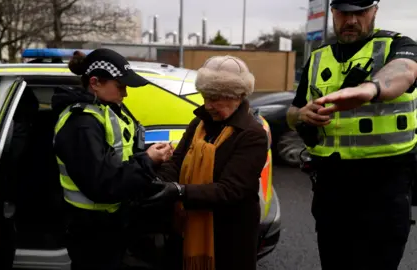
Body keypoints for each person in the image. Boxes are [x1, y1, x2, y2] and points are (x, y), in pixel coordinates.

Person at [286, 0, 417, 269]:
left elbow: (405, 70)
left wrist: (370, 89)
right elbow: (293, 110)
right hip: (331, 186)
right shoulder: (318, 56)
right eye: (344, 13)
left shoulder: (399, 45)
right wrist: (302, 115)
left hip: (384, 185)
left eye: (360, 13)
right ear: (333, 12)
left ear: (374, 12)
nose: (352, 21)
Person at [52, 48, 174, 270]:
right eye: (121, 86)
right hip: (91, 231)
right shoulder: (81, 124)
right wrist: (147, 160)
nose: (125, 93)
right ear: (95, 82)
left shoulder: (105, 110)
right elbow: (102, 183)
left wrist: (149, 152)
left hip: (109, 224)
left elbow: (116, 155)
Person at [144, 55, 269, 270]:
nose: (208, 105)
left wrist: (179, 191)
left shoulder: (252, 134)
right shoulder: (199, 123)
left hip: (229, 235)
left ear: (237, 96)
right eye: (205, 96)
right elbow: (176, 162)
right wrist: (159, 183)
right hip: (189, 226)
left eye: (215, 98)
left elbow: (231, 190)